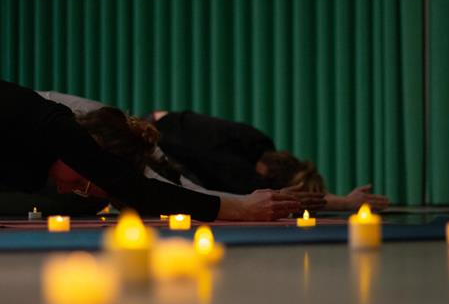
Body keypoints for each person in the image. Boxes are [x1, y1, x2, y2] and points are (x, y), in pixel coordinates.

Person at [1, 80, 302, 221]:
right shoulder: (56, 126)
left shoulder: (32, 161)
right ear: (92, 149)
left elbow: (163, 184)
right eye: (82, 182)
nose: (68, 190)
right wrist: (241, 208)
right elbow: (141, 189)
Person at [37, 90, 388, 211]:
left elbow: (195, 190)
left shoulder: (249, 151)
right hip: (159, 138)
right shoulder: (247, 157)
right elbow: (195, 190)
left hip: (159, 137)